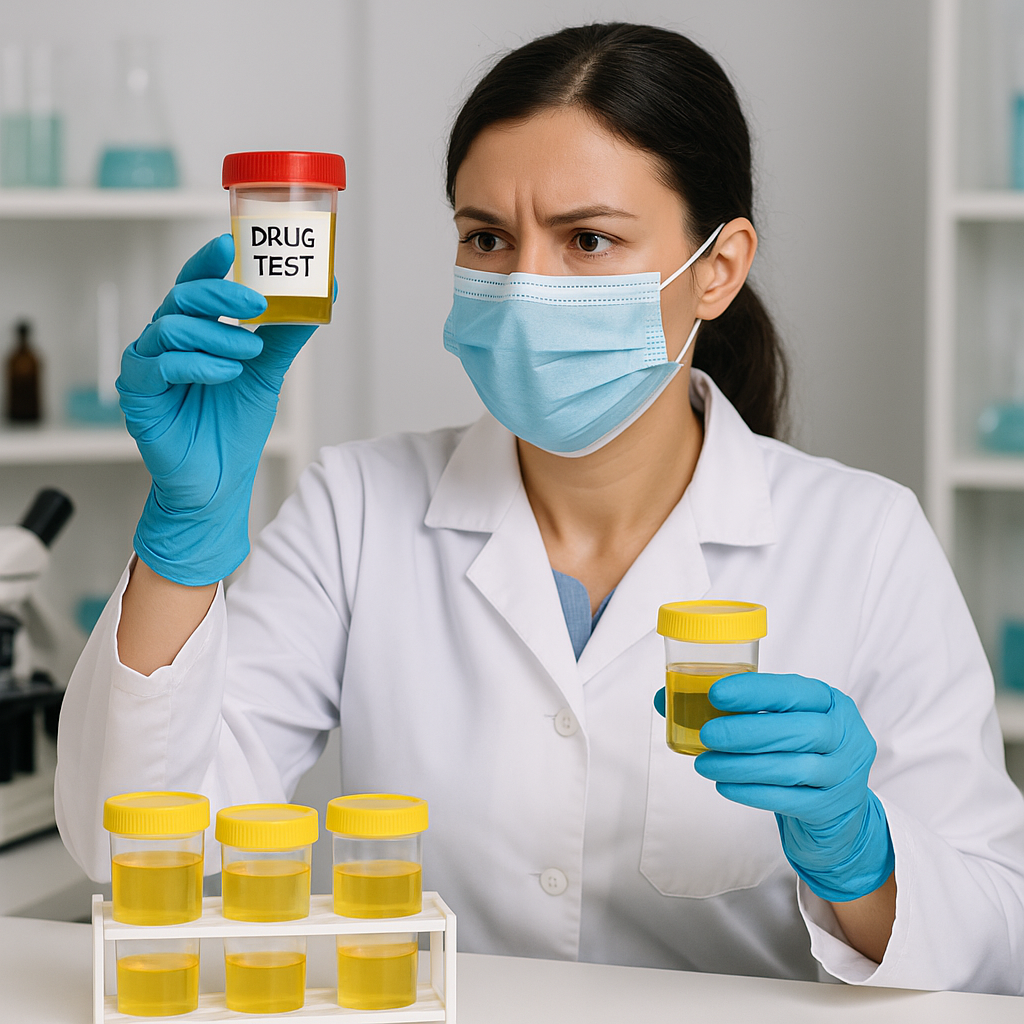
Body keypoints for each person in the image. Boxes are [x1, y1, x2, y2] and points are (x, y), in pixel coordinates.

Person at [56, 22, 1024, 994]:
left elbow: (998, 932)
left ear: (717, 269)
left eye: (588, 239)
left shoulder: (861, 537)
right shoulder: (357, 509)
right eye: (486, 237)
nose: (523, 285)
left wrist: (861, 855)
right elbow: (128, 840)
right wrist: (187, 530)